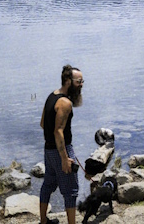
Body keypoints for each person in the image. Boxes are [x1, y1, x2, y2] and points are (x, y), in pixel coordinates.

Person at [40, 64, 86, 224]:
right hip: (61, 151)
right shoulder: (65, 103)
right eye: (78, 81)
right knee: (71, 190)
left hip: (48, 150)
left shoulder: (51, 96)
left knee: (48, 185)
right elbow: (58, 131)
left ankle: (43, 221)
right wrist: (65, 158)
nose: (81, 85)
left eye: (82, 81)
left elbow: (42, 124)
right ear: (68, 81)